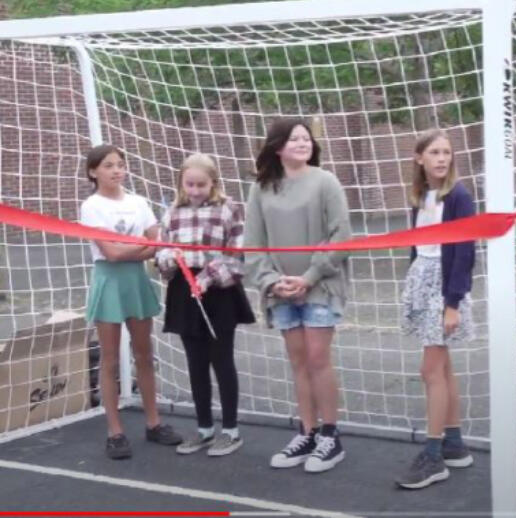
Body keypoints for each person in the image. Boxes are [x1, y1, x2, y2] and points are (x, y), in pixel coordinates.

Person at [245, 118, 351, 473]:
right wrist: (272, 282)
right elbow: (253, 244)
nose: (303, 142)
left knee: (318, 358)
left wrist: (308, 277)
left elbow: (341, 236)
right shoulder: (261, 189)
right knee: (298, 361)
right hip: (280, 292)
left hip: (320, 286)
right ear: (278, 147)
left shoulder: (326, 182)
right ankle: (308, 432)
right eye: (294, 138)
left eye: (307, 138)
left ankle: (330, 437)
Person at [80, 144, 183, 459]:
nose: (116, 170)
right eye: (108, 165)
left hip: (136, 280)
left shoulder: (138, 202)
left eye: (120, 164)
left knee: (144, 355)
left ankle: (154, 423)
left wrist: (138, 249)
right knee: (110, 361)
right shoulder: (91, 206)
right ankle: (115, 431)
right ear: (93, 172)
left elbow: (158, 241)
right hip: (109, 281)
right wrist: (143, 248)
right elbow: (110, 253)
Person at [155, 153, 255, 457]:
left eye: (201, 184)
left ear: (214, 182)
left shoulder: (229, 209)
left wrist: (209, 278)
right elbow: (162, 253)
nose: (196, 190)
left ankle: (230, 430)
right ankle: (204, 429)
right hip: (184, 291)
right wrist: (168, 260)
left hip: (219, 292)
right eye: (190, 184)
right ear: (181, 183)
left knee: (221, 360)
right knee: (195, 362)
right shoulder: (172, 213)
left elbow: (238, 255)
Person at [395, 129, 476, 490]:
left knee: (429, 369)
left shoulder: (459, 196)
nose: (442, 158)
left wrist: (452, 303)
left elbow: (465, 252)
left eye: (447, 152)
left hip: (444, 291)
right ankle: (454, 444)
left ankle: (433, 455)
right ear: (419, 158)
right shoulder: (421, 196)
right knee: (442, 367)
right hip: (422, 283)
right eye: (435, 152)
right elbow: (418, 245)